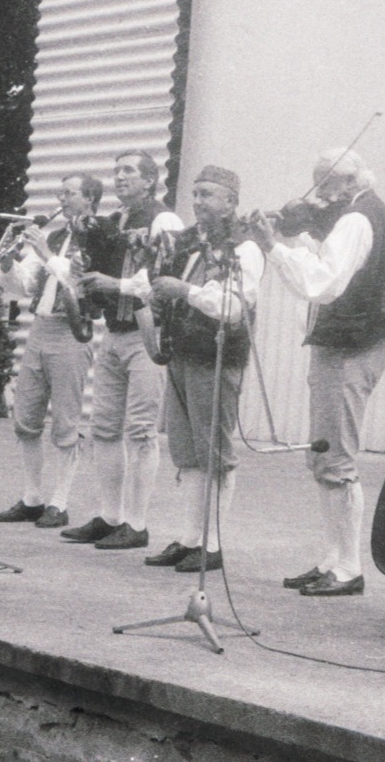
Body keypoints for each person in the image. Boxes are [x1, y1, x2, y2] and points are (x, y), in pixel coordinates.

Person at [250, 148, 385, 597]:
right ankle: (333, 558)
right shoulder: (350, 217)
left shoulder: (358, 219)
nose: (318, 194)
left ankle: (349, 568)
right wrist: (297, 235)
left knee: (336, 458)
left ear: (350, 183)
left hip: (350, 349)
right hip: (340, 347)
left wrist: (274, 245)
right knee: (324, 456)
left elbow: (322, 283)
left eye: (326, 184)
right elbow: (323, 263)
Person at [143, 165, 264, 573]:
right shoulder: (192, 242)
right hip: (182, 352)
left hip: (217, 357)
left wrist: (185, 291)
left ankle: (211, 545)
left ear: (231, 201)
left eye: (207, 194)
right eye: (194, 194)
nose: (197, 202)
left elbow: (233, 308)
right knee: (188, 452)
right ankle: (190, 537)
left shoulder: (244, 247)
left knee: (214, 452)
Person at [62, 151, 184, 551]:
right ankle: (110, 516)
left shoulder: (164, 219)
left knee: (141, 430)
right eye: (116, 171)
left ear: (150, 180)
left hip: (148, 332)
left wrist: (112, 284)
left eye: (128, 171)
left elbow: (164, 277)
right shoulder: (114, 221)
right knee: (104, 428)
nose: (119, 177)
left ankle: (137, 523)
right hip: (114, 333)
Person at [0, 173, 103, 530]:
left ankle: (60, 501)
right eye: (62, 193)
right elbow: (26, 284)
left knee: (66, 420)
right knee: (26, 415)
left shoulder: (98, 236)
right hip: (40, 329)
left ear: (89, 199)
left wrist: (44, 251)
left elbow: (76, 282)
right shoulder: (56, 235)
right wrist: (9, 264)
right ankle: (32, 498)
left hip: (72, 329)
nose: (62, 199)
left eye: (70, 193)